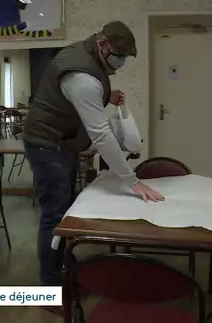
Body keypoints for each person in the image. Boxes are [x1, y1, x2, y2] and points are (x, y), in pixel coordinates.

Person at [22, 21, 165, 290]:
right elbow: (101, 134)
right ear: (102, 44)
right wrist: (132, 181)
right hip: (47, 144)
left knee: (66, 210)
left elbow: (76, 98)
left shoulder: (88, 60)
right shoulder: (82, 77)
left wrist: (107, 96)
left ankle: (63, 267)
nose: (120, 62)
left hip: (61, 142)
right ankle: (51, 288)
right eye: (118, 55)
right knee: (55, 215)